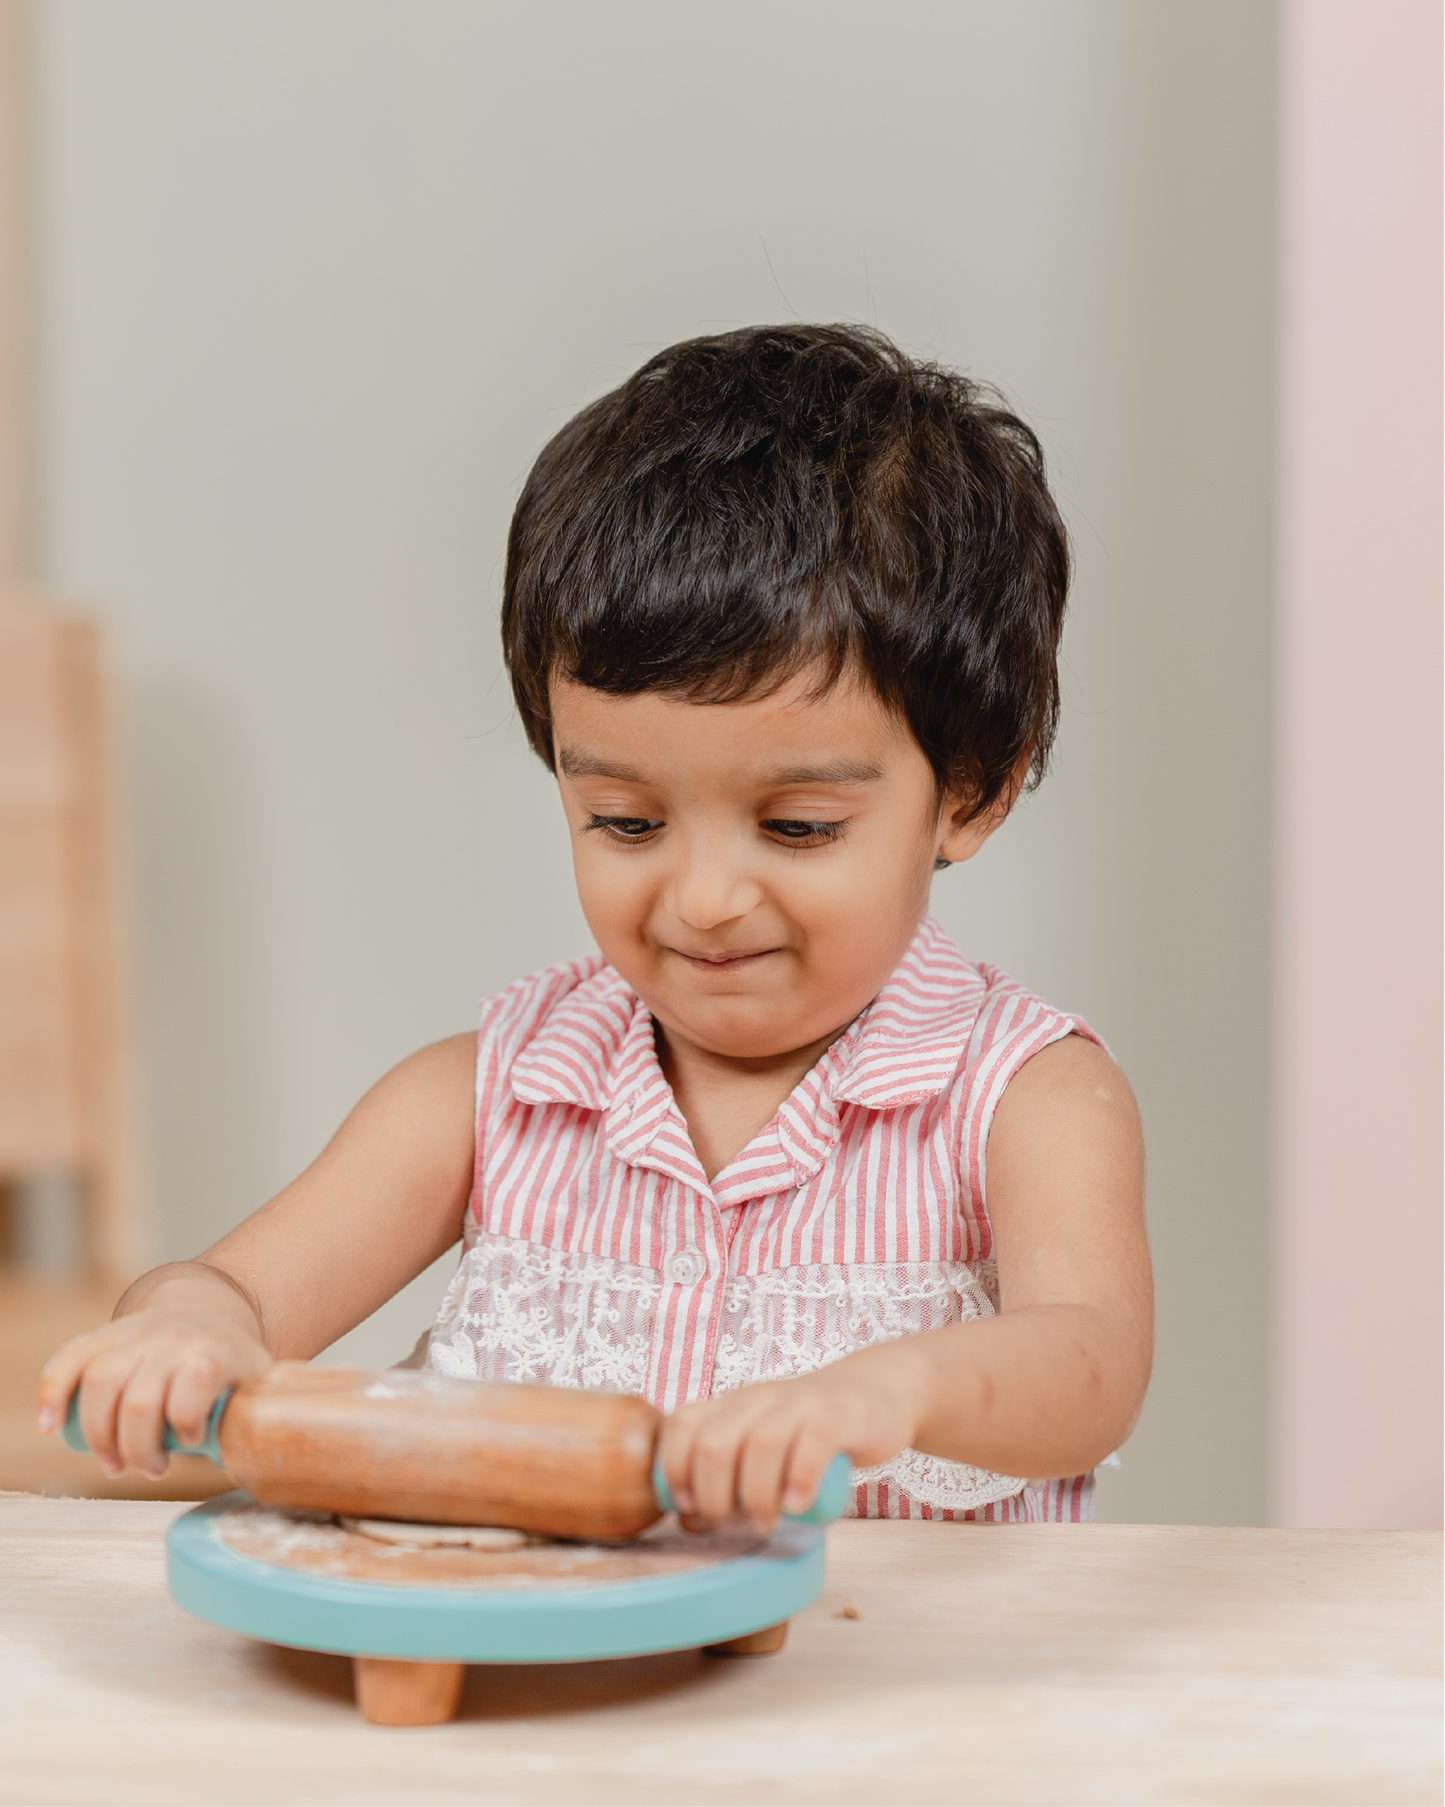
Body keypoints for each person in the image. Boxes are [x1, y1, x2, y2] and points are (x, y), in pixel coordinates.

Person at [38, 324, 1150, 1528]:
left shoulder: (1024, 1096)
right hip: (546, 1697)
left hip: (895, 1693)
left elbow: (1090, 1364)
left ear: (971, 789)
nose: (703, 896)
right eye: (624, 821)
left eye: (794, 827)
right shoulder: (487, 1096)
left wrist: (890, 1389)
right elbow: (229, 1289)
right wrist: (188, 1330)